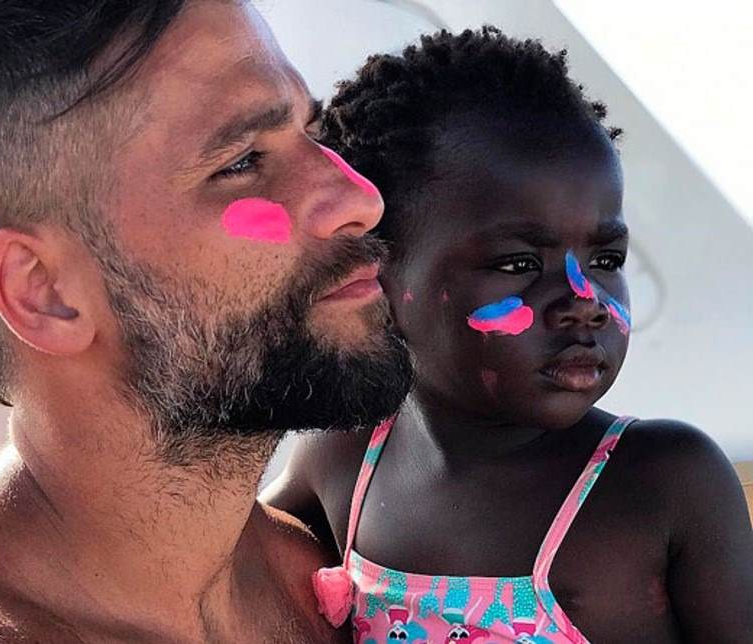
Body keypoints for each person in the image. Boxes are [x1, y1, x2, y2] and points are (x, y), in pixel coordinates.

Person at [0, 1, 415, 642]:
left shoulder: (309, 569)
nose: (360, 198)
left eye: (312, 132)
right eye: (241, 162)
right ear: (46, 293)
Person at [264, 28, 753, 643]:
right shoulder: (347, 459)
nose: (584, 302)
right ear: (375, 275)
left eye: (606, 259)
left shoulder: (663, 482)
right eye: (520, 264)